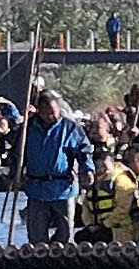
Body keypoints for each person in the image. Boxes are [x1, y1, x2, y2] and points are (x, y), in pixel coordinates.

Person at [14, 87, 90, 246]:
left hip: (63, 187)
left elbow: (84, 150)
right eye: (47, 112)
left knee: (65, 234)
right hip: (37, 189)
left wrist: (87, 169)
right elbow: (17, 154)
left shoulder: (70, 127)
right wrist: (15, 174)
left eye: (54, 111)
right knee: (36, 238)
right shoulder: (28, 128)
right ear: (39, 112)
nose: (52, 116)